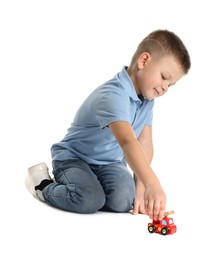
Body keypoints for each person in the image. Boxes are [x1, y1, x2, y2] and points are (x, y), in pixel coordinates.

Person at [25, 29, 191, 220]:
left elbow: (144, 143)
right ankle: (43, 185)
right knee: (89, 200)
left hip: (109, 163)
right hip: (75, 158)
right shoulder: (113, 95)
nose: (165, 88)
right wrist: (153, 182)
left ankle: (90, 185)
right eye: (164, 77)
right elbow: (128, 141)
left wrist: (142, 187)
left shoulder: (147, 101)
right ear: (144, 61)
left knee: (123, 200)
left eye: (170, 85)